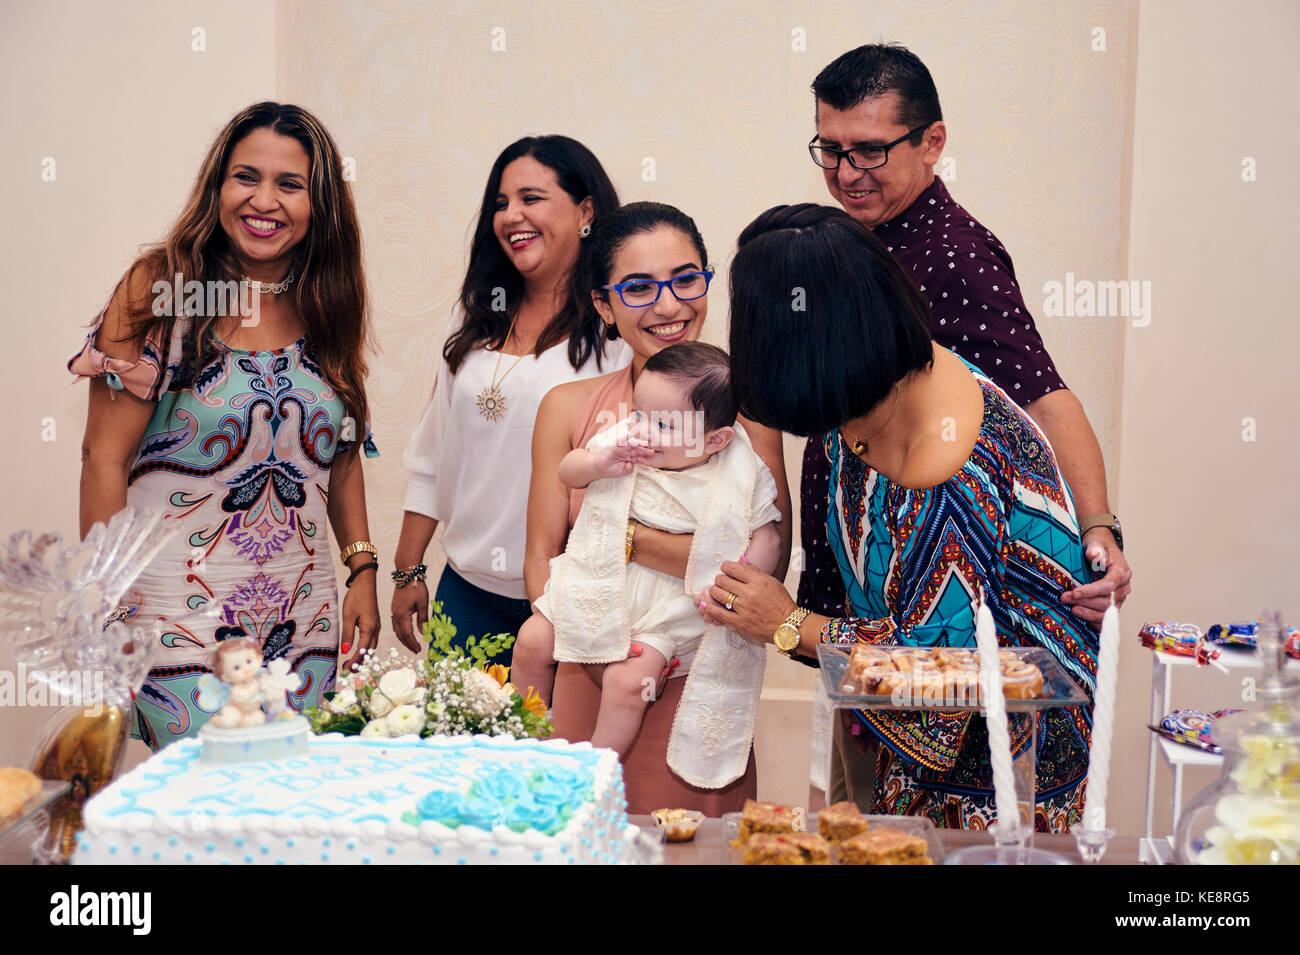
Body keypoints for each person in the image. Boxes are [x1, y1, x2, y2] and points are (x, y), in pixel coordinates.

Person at [705, 204, 1099, 832]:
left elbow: (937, 677)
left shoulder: (946, 469)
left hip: (1006, 773)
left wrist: (788, 626)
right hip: (915, 752)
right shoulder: (868, 396)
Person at [71, 102, 380, 750]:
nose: (263, 200)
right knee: (204, 821)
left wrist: (362, 571)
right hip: (177, 629)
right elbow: (103, 461)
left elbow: (343, 448)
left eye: (289, 184)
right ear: (217, 186)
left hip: (307, 626)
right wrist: (104, 613)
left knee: (292, 824)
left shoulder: (326, 299)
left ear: (317, 204)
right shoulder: (162, 287)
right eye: (246, 176)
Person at [799, 43, 1132, 629]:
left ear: (932, 142)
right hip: (873, 574)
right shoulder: (854, 243)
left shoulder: (954, 256)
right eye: (832, 149)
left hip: (945, 591)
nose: (847, 173)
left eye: (871, 151)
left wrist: (1099, 529)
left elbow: (1042, 396)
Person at [526, 202, 792, 813]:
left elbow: (755, 575)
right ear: (604, 305)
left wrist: (626, 541)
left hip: (693, 672)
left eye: (686, 278)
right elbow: (541, 552)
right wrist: (582, 639)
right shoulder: (567, 408)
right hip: (584, 657)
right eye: (640, 288)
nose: (669, 305)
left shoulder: (752, 412)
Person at [393, 136, 629, 665]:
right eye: (501, 203)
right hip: (466, 593)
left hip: (568, 600)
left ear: (586, 210)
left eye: (531, 198)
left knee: (557, 747)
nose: (511, 215)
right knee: (458, 747)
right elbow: (434, 455)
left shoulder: (615, 331)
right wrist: (409, 569)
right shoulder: (473, 320)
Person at [514, 342, 782, 781]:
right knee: (530, 640)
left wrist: (734, 585)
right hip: (596, 583)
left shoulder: (741, 473)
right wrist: (598, 462)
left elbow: (767, 534)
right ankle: (530, 745)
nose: (644, 431)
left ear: (716, 440)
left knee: (627, 684)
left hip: (667, 612)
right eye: (639, 413)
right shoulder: (622, 445)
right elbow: (568, 472)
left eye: (665, 425)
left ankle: (596, 770)